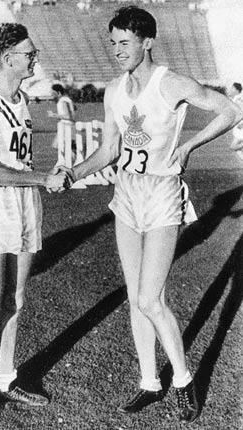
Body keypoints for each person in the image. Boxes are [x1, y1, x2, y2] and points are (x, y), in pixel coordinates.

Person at [58, 5, 242, 423]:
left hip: (162, 196)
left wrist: (187, 147)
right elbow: (108, 150)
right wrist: (72, 172)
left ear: (147, 42)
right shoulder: (113, 90)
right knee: (135, 297)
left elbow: (232, 111)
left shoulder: (171, 82)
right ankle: (148, 382)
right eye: (113, 43)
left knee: (150, 298)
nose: (117, 51)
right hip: (126, 196)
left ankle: (181, 379)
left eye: (125, 43)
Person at [0, 22, 68, 430]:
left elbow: (19, 161)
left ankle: (6, 379)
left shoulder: (22, 98)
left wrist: (43, 176)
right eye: (30, 53)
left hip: (25, 202)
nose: (35, 59)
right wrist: (42, 178)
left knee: (17, 298)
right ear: (9, 58)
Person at [48, 84, 75, 149]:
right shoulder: (66, 99)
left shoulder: (63, 101)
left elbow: (68, 116)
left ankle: (75, 157)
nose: (51, 94)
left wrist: (54, 115)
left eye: (53, 93)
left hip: (66, 125)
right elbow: (72, 110)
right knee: (62, 146)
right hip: (68, 125)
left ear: (59, 93)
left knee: (58, 146)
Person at [228, 82, 243, 160]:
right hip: (238, 126)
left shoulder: (238, 99)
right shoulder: (235, 99)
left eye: (232, 88)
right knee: (238, 150)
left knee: (233, 146)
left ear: (236, 90)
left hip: (240, 126)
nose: (230, 90)